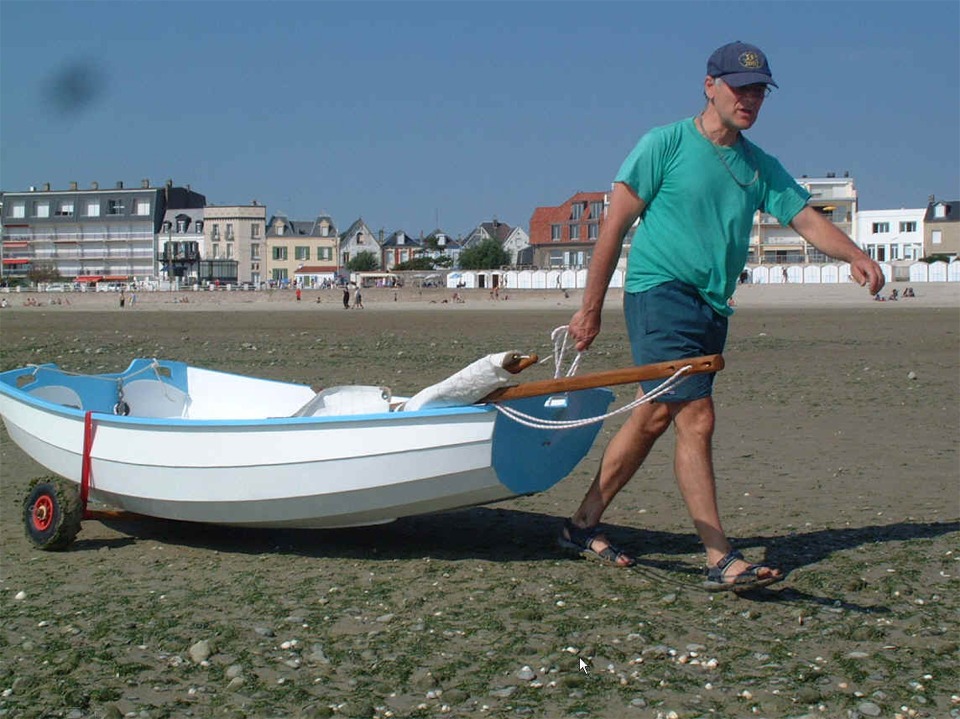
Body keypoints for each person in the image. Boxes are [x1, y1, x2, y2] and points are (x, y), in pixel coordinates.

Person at [561, 41, 884, 592]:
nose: (750, 99)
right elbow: (612, 228)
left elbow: (805, 219)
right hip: (660, 293)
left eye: (759, 91)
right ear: (710, 85)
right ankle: (719, 556)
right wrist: (590, 310)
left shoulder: (758, 166)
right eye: (740, 87)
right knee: (697, 417)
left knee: (655, 416)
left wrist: (854, 253)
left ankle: (581, 524)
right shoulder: (663, 145)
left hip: (712, 304)